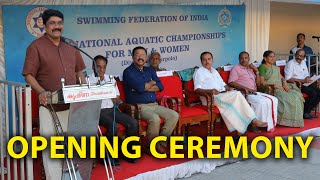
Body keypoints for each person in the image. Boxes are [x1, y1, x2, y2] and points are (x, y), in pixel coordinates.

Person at [22, 9, 86, 180]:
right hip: (49, 107)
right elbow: (28, 75)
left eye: (59, 23)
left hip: (72, 106)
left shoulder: (71, 45)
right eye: (52, 23)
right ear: (44, 25)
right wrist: (42, 92)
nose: (56, 27)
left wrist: (85, 90)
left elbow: (79, 71)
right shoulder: (35, 47)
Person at [193, 51, 267, 135]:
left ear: (212, 60)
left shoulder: (214, 71)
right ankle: (252, 121)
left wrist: (229, 88)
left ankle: (239, 132)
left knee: (236, 100)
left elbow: (223, 85)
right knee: (237, 96)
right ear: (201, 61)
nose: (207, 62)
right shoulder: (199, 72)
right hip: (210, 97)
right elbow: (197, 89)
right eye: (204, 60)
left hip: (221, 95)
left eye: (209, 59)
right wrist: (210, 91)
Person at [123, 46, 179, 153]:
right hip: (138, 107)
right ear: (133, 57)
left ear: (146, 57)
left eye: (143, 55)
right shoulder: (128, 72)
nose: (140, 57)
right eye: (137, 55)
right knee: (155, 119)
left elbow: (160, 86)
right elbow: (140, 88)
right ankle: (150, 146)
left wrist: (146, 86)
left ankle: (160, 143)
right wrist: (150, 83)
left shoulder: (149, 70)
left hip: (153, 104)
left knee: (174, 115)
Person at [88, 55, 139, 164]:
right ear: (93, 67)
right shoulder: (88, 80)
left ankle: (128, 153)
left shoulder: (110, 79)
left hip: (111, 110)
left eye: (104, 67)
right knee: (113, 126)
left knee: (133, 123)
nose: (101, 70)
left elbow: (117, 99)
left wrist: (113, 95)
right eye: (98, 67)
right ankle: (107, 156)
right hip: (97, 112)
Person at [229, 51, 278, 132]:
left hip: (255, 92)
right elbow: (231, 82)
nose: (244, 60)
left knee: (274, 100)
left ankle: (268, 123)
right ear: (238, 59)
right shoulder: (236, 68)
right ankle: (253, 124)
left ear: (249, 59)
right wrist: (245, 88)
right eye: (242, 58)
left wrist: (256, 71)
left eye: (246, 58)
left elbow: (258, 84)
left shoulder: (250, 68)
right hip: (244, 93)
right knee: (260, 102)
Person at [258, 50, 304, 127]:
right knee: (291, 98)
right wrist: (276, 86)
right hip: (271, 89)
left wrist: (285, 83)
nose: (273, 58)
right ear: (265, 58)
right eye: (270, 57)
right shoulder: (262, 67)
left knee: (297, 95)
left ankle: (295, 120)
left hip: (280, 87)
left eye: (273, 57)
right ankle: (287, 120)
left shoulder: (275, 68)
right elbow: (262, 82)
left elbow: (281, 78)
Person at [285, 49, 320, 119]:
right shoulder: (290, 63)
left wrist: (307, 78)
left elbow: (306, 74)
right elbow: (287, 79)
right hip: (296, 84)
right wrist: (302, 80)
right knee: (313, 93)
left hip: (305, 83)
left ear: (304, 57)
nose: (299, 57)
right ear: (295, 55)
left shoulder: (303, 63)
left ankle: (308, 111)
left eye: (301, 56)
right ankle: (305, 112)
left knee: (319, 92)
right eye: (297, 55)